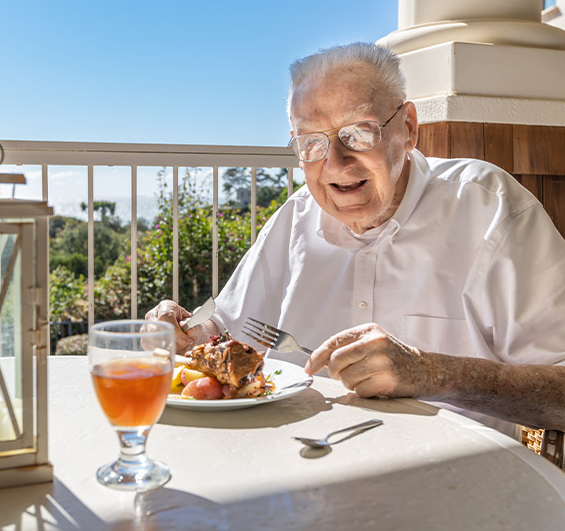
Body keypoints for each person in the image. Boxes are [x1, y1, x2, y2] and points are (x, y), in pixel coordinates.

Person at [147, 42, 565, 437]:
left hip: (456, 489)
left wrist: (434, 373)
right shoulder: (296, 217)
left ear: (409, 128)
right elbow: (224, 335)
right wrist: (183, 331)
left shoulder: (489, 208)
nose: (336, 162)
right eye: (311, 141)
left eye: (359, 132)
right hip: (300, 472)